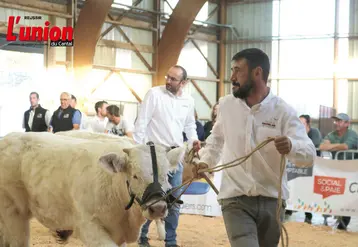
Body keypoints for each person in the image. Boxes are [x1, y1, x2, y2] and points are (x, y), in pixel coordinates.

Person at [192, 48, 316, 247]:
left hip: (272, 201)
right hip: (234, 198)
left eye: (237, 70)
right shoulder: (226, 105)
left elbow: (309, 155)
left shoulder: (283, 111)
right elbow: (216, 140)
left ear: (257, 72)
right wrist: (205, 161)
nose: (232, 77)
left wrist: (291, 146)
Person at [133, 65, 200, 247]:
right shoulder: (154, 94)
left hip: (175, 155)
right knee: (150, 198)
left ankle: (171, 241)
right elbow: (142, 122)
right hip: (154, 154)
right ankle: (142, 236)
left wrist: (194, 140)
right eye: (167, 77)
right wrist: (138, 150)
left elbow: (189, 126)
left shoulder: (189, 100)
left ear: (184, 83)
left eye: (173, 79)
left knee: (174, 200)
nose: (168, 81)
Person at [319, 113, 358, 230]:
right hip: (336, 169)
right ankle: (328, 218)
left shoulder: (352, 134)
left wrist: (331, 146)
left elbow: (346, 147)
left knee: (348, 195)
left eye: (340, 121)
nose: (336, 123)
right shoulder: (332, 134)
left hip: (351, 170)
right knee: (331, 191)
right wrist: (337, 146)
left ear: (347, 124)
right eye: (336, 121)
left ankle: (344, 222)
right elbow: (322, 147)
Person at [298, 114, 322, 224]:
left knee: (312, 190)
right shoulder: (296, 132)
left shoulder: (315, 132)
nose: (300, 125)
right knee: (298, 188)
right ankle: (290, 210)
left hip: (314, 167)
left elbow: (315, 144)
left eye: (302, 123)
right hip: (300, 166)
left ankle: (310, 215)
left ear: (308, 124)